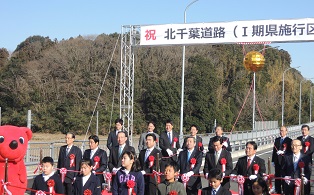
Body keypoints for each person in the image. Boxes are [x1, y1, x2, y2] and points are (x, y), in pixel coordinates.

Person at [271, 126, 292, 194]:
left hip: (285, 162)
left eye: (283, 130)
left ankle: (284, 190)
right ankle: (278, 191)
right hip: (277, 161)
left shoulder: (289, 140)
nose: (281, 132)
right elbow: (274, 151)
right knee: (277, 176)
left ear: (286, 131)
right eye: (280, 130)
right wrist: (273, 161)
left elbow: (290, 151)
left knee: (284, 177)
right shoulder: (277, 140)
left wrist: (284, 152)